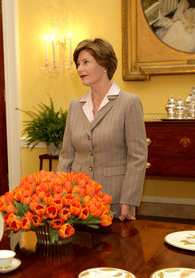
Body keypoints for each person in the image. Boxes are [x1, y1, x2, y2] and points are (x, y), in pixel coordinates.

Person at [57, 38, 147, 221]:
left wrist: (127, 200)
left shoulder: (129, 103)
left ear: (104, 64)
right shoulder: (75, 106)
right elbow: (66, 155)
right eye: (78, 64)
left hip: (114, 200)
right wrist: (59, 195)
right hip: (76, 200)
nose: (79, 69)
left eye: (86, 62)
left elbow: (137, 157)